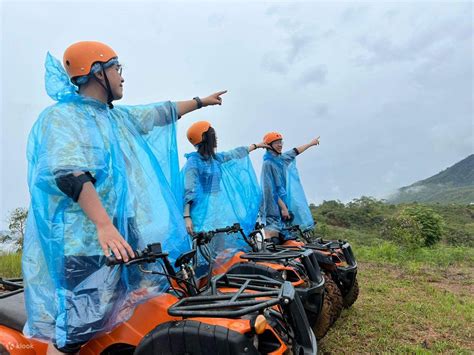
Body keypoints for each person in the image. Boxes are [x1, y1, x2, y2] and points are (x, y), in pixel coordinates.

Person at [23, 41, 227, 354]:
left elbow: (160, 112)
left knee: (131, 307)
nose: (121, 76)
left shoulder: (116, 118)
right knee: (74, 334)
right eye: (116, 68)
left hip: (123, 235)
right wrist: (104, 224)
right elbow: (70, 173)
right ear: (95, 72)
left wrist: (201, 101)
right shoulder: (63, 118)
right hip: (84, 242)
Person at [182, 121, 266, 272]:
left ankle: (220, 277)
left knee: (220, 248)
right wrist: (187, 216)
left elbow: (234, 153)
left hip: (217, 210)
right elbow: (189, 190)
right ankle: (203, 282)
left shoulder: (216, 159)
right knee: (205, 249)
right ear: (205, 138)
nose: (217, 138)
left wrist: (257, 145)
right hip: (200, 214)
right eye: (213, 135)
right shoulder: (193, 163)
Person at [260, 131, 320, 242]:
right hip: (272, 206)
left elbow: (295, 151)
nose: (280, 145)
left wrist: (311, 143)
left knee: (288, 238)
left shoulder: (281, 159)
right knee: (274, 241)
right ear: (269, 146)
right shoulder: (268, 164)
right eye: (276, 143)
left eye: (280, 142)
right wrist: (283, 208)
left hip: (282, 203)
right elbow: (269, 191)